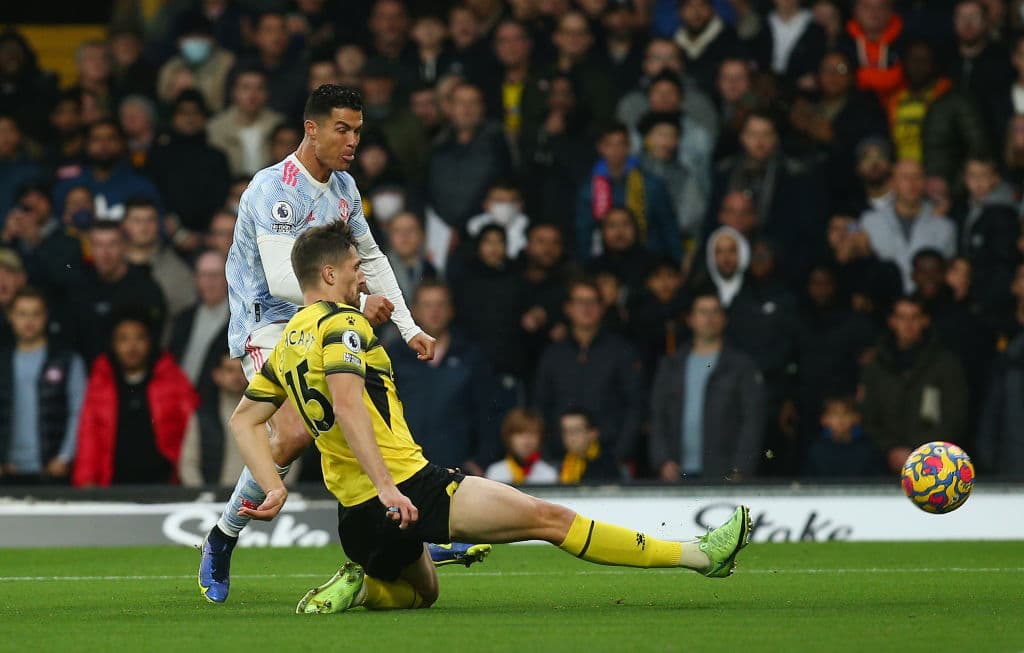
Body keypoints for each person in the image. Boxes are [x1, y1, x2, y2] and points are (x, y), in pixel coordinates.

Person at [229, 220, 752, 614]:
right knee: (551, 520)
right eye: (352, 267)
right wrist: (390, 487)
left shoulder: (291, 339)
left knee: (425, 592)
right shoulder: (345, 326)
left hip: (355, 520)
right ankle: (700, 556)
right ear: (327, 273)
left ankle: (364, 584)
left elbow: (245, 421)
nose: (361, 273)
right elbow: (346, 404)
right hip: (406, 490)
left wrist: (274, 485)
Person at [200, 85, 477, 604]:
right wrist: (353, 307)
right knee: (292, 432)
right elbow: (286, 279)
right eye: (342, 129)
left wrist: (410, 326)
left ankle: (403, 529)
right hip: (269, 325)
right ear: (312, 129)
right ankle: (223, 536)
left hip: (326, 314)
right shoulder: (273, 189)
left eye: (358, 131)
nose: (352, 141)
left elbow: (369, 258)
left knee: (360, 415)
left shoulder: (345, 187)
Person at [72, 310, 197, 487]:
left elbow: (194, 429)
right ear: (113, 344)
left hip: (166, 485)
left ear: (150, 342)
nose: (132, 346)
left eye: (139, 338)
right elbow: (89, 436)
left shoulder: (171, 378)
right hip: (113, 485)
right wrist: (86, 481)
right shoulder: (101, 381)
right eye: (123, 339)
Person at [388, 280, 500, 476]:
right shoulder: (395, 355)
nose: (435, 311)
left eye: (441, 305)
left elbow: (488, 413)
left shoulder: (471, 356)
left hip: (459, 471)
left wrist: (481, 461)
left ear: (451, 310)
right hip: (405, 469)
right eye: (427, 305)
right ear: (414, 311)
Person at [649, 291, 764, 482]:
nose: (709, 318)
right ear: (691, 319)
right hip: (677, 473)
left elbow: (752, 421)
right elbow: (658, 416)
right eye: (702, 312)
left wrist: (741, 467)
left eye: (715, 312)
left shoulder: (741, 366)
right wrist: (662, 460)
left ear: (724, 319)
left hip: (725, 475)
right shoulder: (671, 365)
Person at [532, 278, 646, 465]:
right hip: (560, 460)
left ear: (602, 308)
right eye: (579, 302)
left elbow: (635, 406)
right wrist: (547, 454)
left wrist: (620, 453)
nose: (586, 308)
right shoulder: (553, 354)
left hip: (610, 458)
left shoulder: (622, 351)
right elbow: (540, 406)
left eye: (592, 302)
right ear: (568, 308)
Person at [859, 296, 969, 474]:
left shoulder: (946, 364)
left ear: (925, 321)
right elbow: (867, 416)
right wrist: (890, 449)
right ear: (892, 321)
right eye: (902, 317)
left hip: (936, 467)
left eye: (914, 317)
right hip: (880, 464)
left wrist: (920, 454)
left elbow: (955, 416)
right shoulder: (876, 366)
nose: (908, 324)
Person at [0, 288, 86, 484]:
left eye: (35, 314)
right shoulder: (2, 361)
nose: (29, 321)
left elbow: (78, 411)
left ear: (46, 317)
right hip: (7, 470)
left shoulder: (67, 360)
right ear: (10, 316)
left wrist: (65, 457)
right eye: (22, 314)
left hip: (52, 470)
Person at [576, 123, 681, 262]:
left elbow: (668, 227)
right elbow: (584, 233)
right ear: (600, 148)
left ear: (629, 147)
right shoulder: (589, 189)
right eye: (609, 145)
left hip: (649, 261)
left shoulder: (652, 185)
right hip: (605, 264)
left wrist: (676, 261)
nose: (616, 150)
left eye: (621, 144)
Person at [71, 221, 167, 363]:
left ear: (124, 247)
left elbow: (153, 341)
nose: (105, 252)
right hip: (89, 375)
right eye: (98, 245)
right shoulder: (80, 286)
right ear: (91, 248)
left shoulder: (145, 288)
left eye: (112, 244)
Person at [146, 90, 231, 248]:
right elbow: (153, 194)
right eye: (184, 113)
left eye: (195, 113)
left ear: (204, 117)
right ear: (174, 117)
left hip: (210, 239)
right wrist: (177, 232)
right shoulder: (159, 155)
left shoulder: (217, 157)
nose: (190, 119)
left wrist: (203, 236)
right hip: (165, 236)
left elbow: (221, 199)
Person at [859, 159, 956, 292]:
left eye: (917, 177)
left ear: (925, 182)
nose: (912, 183)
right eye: (905, 177)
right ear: (892, 183)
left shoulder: (945, 227)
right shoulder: (869, 222)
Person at [51, 119, 161, 221]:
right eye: (96, 139)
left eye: (111, 138)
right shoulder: (68, 185)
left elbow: (157, 226)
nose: (104, 145)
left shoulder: (140, 186)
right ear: (86, 145)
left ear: (122, 143)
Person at [121, 198, 196, 320]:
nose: (144, 227)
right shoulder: (112, 263)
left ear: (159, 224)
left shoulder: (177, 270)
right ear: (124, 224)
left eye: (150, 220)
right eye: (136, 220)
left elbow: (184, 317)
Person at [206, 68, 284, 177]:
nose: (252, 95)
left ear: (267, 93)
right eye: (245, 88)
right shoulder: (216, 128)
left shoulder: (278, 125)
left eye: (259, 88)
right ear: (234, 92)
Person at [802, 394, 885, 477]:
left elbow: (879, 483)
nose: (840, 419)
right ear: (824, 419)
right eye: (834, 414)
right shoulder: (816, 451)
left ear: (856, 418)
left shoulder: (868, 450)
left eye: (846, 414)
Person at [485, 407, 558, 485]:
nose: (526, 441)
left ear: (540, 438)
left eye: (532, 433)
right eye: (520, 433)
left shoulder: (549, 474)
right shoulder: (495, 473)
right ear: (509, 437)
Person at [556, 407, 619, 484]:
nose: (570, 436)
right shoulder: (559, 461)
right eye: (565, 431)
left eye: (576, 430)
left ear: (593, 433)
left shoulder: (607, 465)